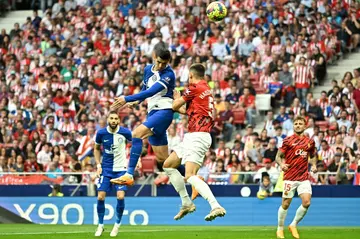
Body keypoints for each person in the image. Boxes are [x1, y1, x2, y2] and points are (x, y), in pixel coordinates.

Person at [110, 42, 184, 186]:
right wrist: (138, 101)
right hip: (152, 112)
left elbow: (151, 91)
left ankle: (129, 174)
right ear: (154, 56)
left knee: (136, 134)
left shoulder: (169, 74)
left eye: (165, 63)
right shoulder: (148, 69)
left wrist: (126, 98)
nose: (162, 66)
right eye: (160, 62)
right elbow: (145, 87)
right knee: (164, 161)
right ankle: (192, 176)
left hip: (164, 112)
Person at [162, 63, 226, 221]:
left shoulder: (195, 88)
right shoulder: (205, 90)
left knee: (190, 175)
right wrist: (178, 106)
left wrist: (176, 98)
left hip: (198, 135)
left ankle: (215, 205)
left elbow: (176, 105)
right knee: (168, 165)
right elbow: (186, 111)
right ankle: (186, 203)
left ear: (191, 76)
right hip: (193, 135)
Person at [275, 116, 317, 239]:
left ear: (305, 126)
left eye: (300, 123)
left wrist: (313, 165)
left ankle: (293, 225)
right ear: (293, 126)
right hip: (290, 177)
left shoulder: (310, 142)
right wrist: (282, 164)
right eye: (296, 123)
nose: (298, 125)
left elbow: (313, 155)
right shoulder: (288, 140)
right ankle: (280, 228)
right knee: (286, 204)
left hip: (303, 177)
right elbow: (278, 157)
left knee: (307, 202)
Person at [94, 111, 132, 237]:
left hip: (121, 169)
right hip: (106, 169)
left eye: (116, 118)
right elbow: (96, 149)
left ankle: (117, 226)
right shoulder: (101, 133)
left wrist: (136, 161)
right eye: (112, 118)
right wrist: (98, 165)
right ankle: (100, 225)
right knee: (100, 197)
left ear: (119, 120)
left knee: (120, 196)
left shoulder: (125, 132)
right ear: (108, 119)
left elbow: (136, 143)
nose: (114, 120)